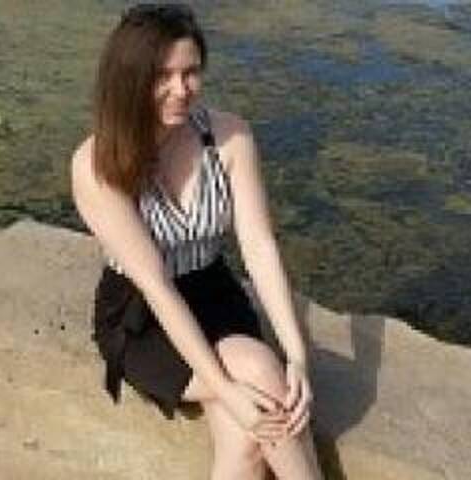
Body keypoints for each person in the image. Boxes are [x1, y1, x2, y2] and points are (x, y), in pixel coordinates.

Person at [71, 3, 323, 479]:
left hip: (215, 295)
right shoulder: (96, 164)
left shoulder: (229, 138)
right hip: (141, 315)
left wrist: (297, 356)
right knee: (260, 378)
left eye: (190, 73)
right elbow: (156, 285)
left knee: (246, 441)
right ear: (129, 80)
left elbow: (259, 247)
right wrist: (224, 390)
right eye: (162, 76)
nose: (181, 89)